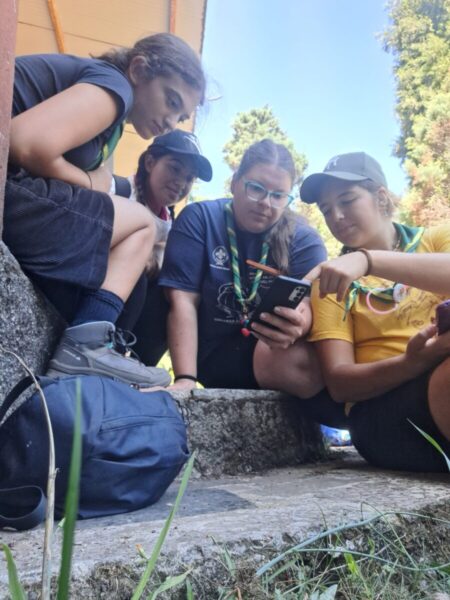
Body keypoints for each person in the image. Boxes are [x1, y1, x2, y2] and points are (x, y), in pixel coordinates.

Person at [4, 33, 206, 388]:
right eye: (170, 101)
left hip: (16, 191)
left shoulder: (109, 109)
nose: (172, 121)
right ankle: (84, 349)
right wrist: (91, 181)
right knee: (142, 226)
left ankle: (95, 347)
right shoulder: (114, 85)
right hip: (9, 189)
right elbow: (25, 142)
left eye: (181, 115)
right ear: (139, 69)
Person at [299, 151, 450, 472]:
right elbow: (340, 383)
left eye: (347, 200)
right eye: (326, 210)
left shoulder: (436, 239)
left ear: (381, 197)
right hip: (383, 413)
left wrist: (369, 260)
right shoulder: (330, 281)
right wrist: (414, 362)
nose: (336, 216)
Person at [158, 139, 327, 393]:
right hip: (209, 354)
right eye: (256, 188)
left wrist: (299, 325)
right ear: (235, 182)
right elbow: (182, 301)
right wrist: (185, 378)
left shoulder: (304, 239)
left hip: (272, 352)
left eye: (278, 196)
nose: (265, 203)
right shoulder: (200, 218)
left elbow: (310, 304)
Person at [116, 129, 213, 364]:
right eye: (174, 168)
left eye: (190, 178)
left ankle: (140, 366)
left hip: (137, 318)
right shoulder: (117, 191)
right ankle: (110, 351)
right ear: (150, 162)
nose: (181, 182)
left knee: (175, 296)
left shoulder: (173, 228)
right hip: (101, 299)